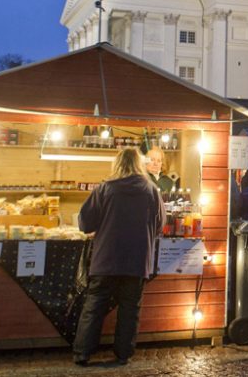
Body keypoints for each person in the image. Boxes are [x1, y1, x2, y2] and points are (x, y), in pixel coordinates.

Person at [73, 148, 163, 366]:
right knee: (130, 309)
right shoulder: (151, 190)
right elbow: (160, 225)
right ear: (139, 164)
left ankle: (82, 353)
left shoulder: (105, 189)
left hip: (106, 259)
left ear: (117, 164)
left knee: (94, 306)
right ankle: (123, 354)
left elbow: (85, 223)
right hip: (137, 260)